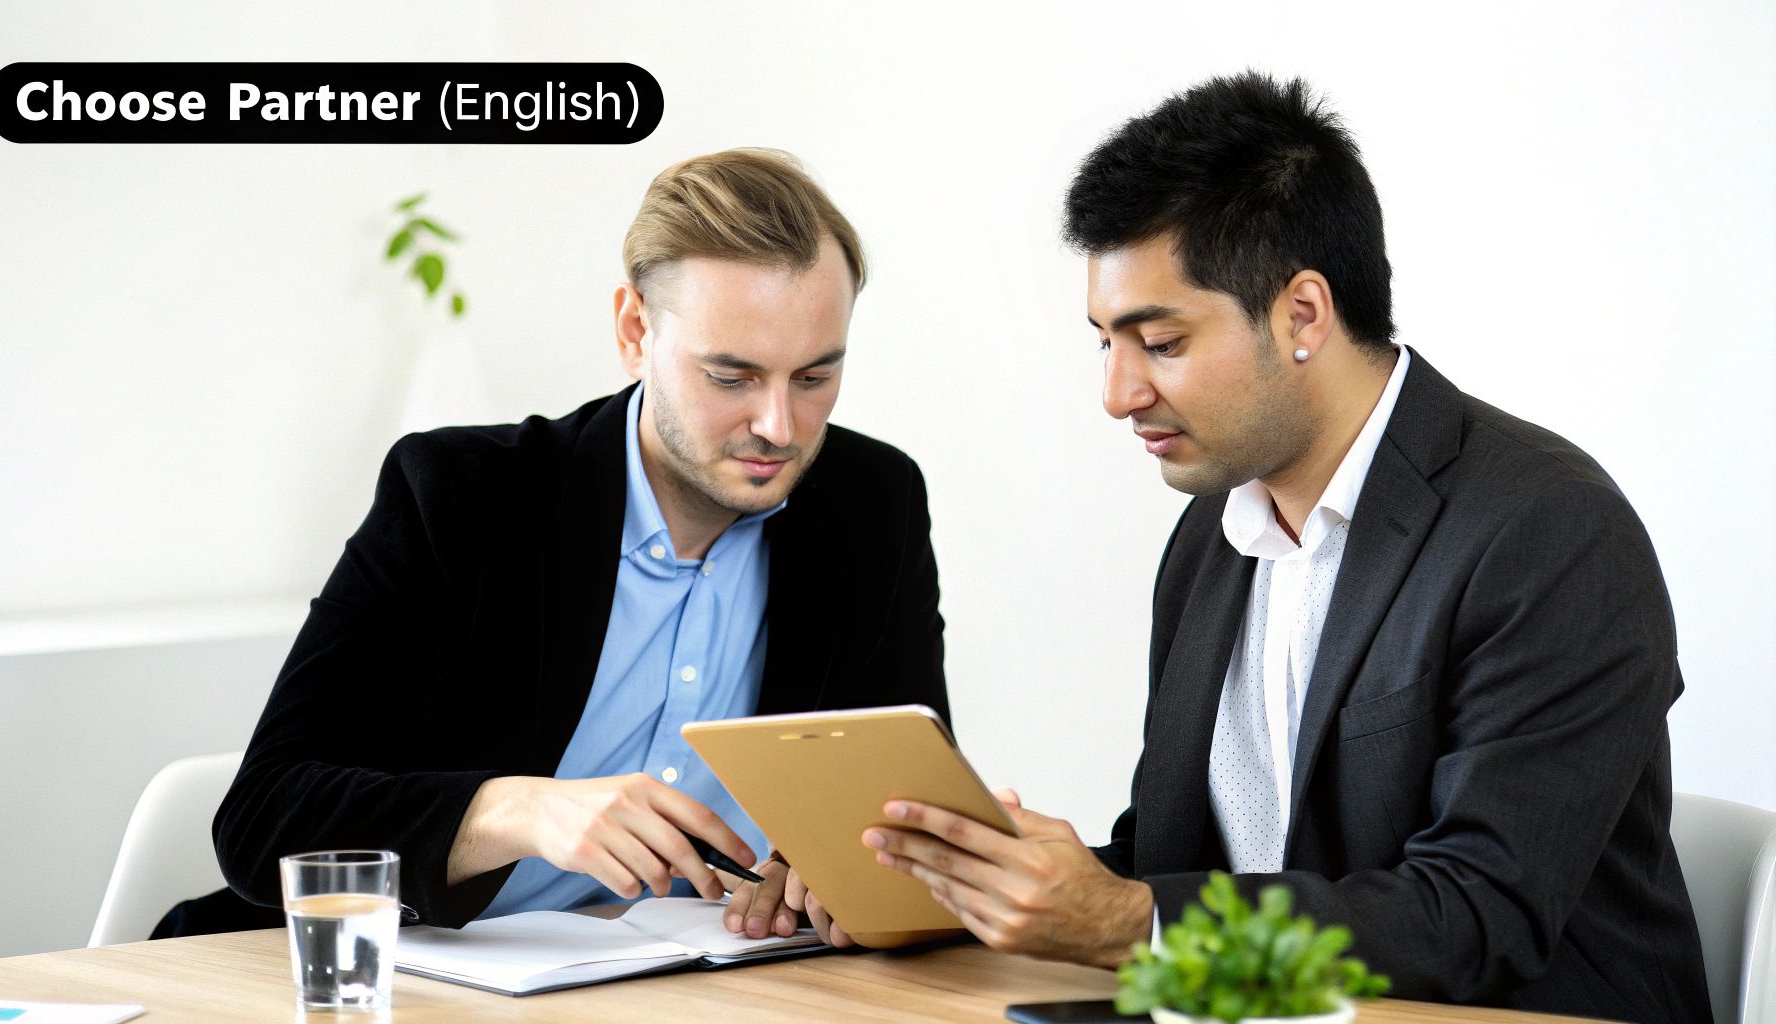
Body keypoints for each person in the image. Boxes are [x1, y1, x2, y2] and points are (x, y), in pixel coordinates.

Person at [858, 73, 1711, 1023]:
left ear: (1303, 314)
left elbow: (1478, 915)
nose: (1118, 392)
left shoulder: (1547, 532)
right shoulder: (1212, 537)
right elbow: (1178, 866)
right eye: (1105, 342)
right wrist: (956, 883)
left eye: (1162, 342)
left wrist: (1127, 922)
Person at [211, 148, 945, 945]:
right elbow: (263, 819)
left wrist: (843, 868)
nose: (778, 427)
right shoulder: (462, 497)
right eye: (731, 378)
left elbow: (908, 808)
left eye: (813, 379)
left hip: (709, 987)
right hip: (400, 980)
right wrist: (517, 809)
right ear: (635, 330)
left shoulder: (874, 504)